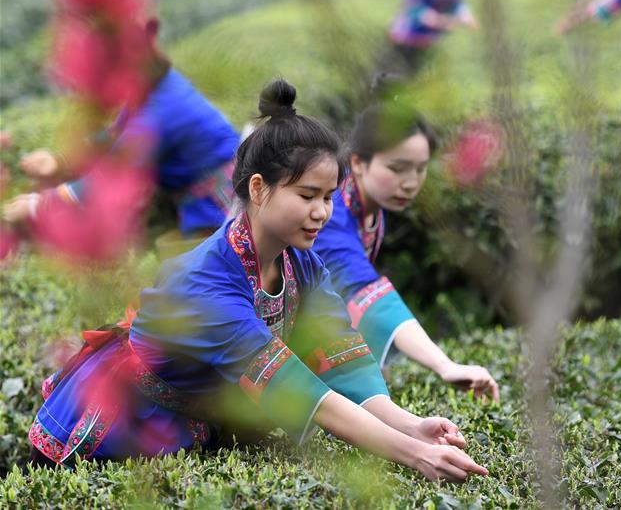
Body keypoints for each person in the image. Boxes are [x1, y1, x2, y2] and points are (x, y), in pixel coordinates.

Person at [27, 80, 489, 482]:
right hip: (113, 430)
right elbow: (300, 391)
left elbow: (343, 362)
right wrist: (416, 455)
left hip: (191, 421)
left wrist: (410, 425)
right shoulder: (205, 282)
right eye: (307, 195)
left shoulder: (302, 264)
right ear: (257, 189)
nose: (322, 212)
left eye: (328, 197)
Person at [314, 104, 500, 401]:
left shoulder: (365, 204)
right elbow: (367, 295)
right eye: (397, 168)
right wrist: (445, 365)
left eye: (420, 169)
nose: (411, 182)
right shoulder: (330, 213)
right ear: (359, 162)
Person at [3, 17, 240, 237]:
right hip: (207, 198)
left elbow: (110, 178)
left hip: (220, 206)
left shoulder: (161, 113)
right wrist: (60, 161)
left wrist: (39, 205)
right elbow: (115, 135)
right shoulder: (153, 89)